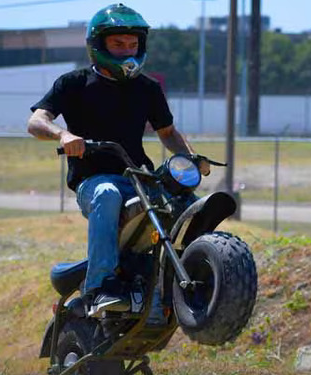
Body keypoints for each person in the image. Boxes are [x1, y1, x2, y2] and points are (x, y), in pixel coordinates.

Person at [27, 3, 210, 315]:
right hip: (95, 181)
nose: (127, 51)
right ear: (99, 45)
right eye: (118, 44)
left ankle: (206, 267)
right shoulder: (73, 83)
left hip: (140, 177)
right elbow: (36, 122)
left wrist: (191, 158)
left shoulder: (148, 88)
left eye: (133, 44)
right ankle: (100, 287)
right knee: (107, 194)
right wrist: (63, 136)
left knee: (186, 197)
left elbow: (167, 133)